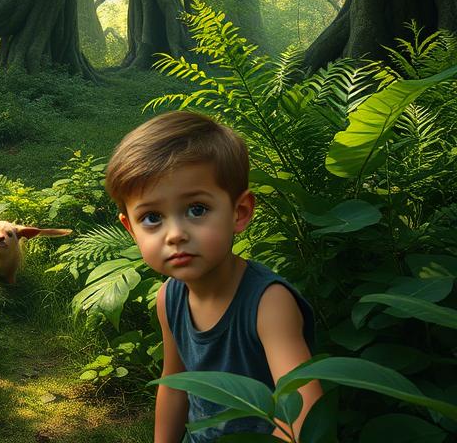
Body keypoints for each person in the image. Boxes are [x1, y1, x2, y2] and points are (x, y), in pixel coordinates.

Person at [105, 110, 321, 442]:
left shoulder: (268, 304)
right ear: (131, 229)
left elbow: (303, 409)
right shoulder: (170, 298)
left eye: (197, 210)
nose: (175, 234)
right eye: (152, 217)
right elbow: (175, 386)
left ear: (240, 212)